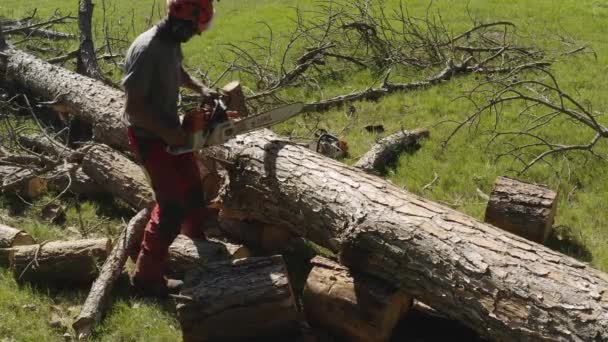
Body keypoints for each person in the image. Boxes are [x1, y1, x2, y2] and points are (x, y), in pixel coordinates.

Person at [122, 0, 218, 296]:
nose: (197, 35)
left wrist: (200, 88)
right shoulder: (146, 49)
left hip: (169, 129)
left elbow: (177, 71)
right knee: (171, 207)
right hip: (148, 136)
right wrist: (168, 134)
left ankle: (195, 240)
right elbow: (134, 109)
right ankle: (147, 278)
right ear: (181, 19)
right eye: (195, 29)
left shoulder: (170, 40)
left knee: (192, 188)